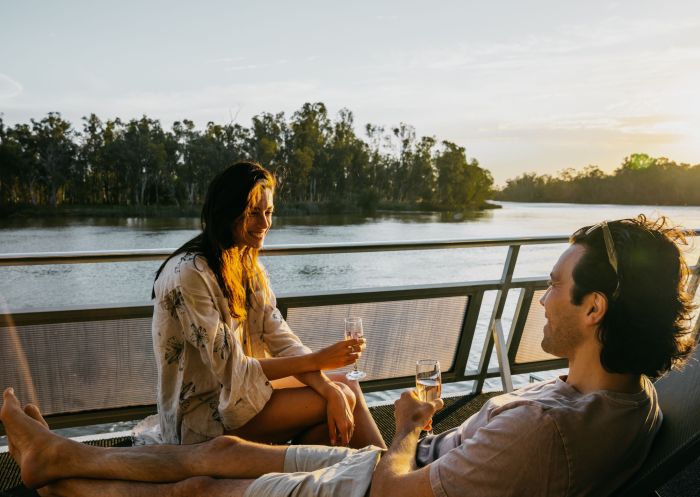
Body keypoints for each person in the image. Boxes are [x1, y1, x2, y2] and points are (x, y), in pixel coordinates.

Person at [1, 215, 696, 497]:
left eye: (553, 285)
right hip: (398, 466)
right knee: (228, 449)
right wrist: (334, 379)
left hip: (378, 485)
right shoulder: (632, 398)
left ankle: (53, 471)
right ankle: (61, 453)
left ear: (595, 308)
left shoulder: (548, 429)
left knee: (200, 489)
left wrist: (409, 427)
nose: (541, 299)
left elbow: (398, 490)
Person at [146, 161, 384, 449]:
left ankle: (369, 472)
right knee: (341, 397)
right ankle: (391, 476)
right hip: (203, 416)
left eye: (269, 212)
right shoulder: (189, 274)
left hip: (243, 393)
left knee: (344, 387)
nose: (265, 224)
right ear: (227, 212)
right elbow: (233, 370)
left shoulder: (248, 266)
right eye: (253, 213)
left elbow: (281, 339)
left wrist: (327, 385)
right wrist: (318, 362)